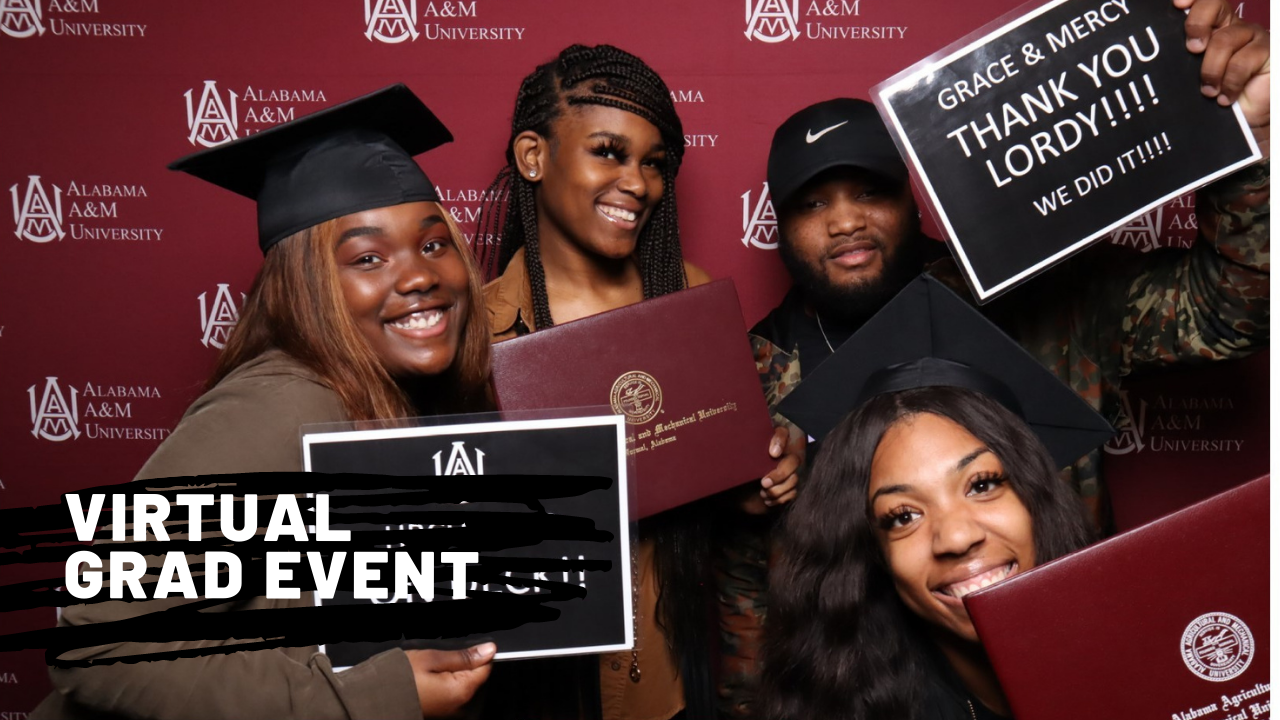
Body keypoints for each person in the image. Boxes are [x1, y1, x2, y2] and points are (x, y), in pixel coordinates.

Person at [718, 0, 1269, 714]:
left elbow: (1229, 310)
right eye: (812, 202)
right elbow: (746, 603)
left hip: (1077, 668)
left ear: (913, 202)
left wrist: (1241, 142)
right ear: (779, 227)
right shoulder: (748, 385)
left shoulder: (1035, 300)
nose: (846, 220)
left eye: (870, 191)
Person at [34, 85, 496, 720]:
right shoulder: (281, 406)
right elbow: (98, 641)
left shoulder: (391, 396)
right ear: (308, 288)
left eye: (433, 243)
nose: (419, 275)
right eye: (367, 257)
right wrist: (375, 697)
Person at [476, 44, 800, 720]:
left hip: (672, 687)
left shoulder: (692, 305)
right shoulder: (473, 337)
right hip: (523, 694)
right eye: (608, 152)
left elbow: (725, 481)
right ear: (533, 155)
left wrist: (765, 472)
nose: (639, 183)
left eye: (654, 163)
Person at [758, 275, 1110, 720]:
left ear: (1036, 495)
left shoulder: (1150, 661)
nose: (956, 537)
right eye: (903, 516)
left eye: (982, 485)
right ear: (873, 556)